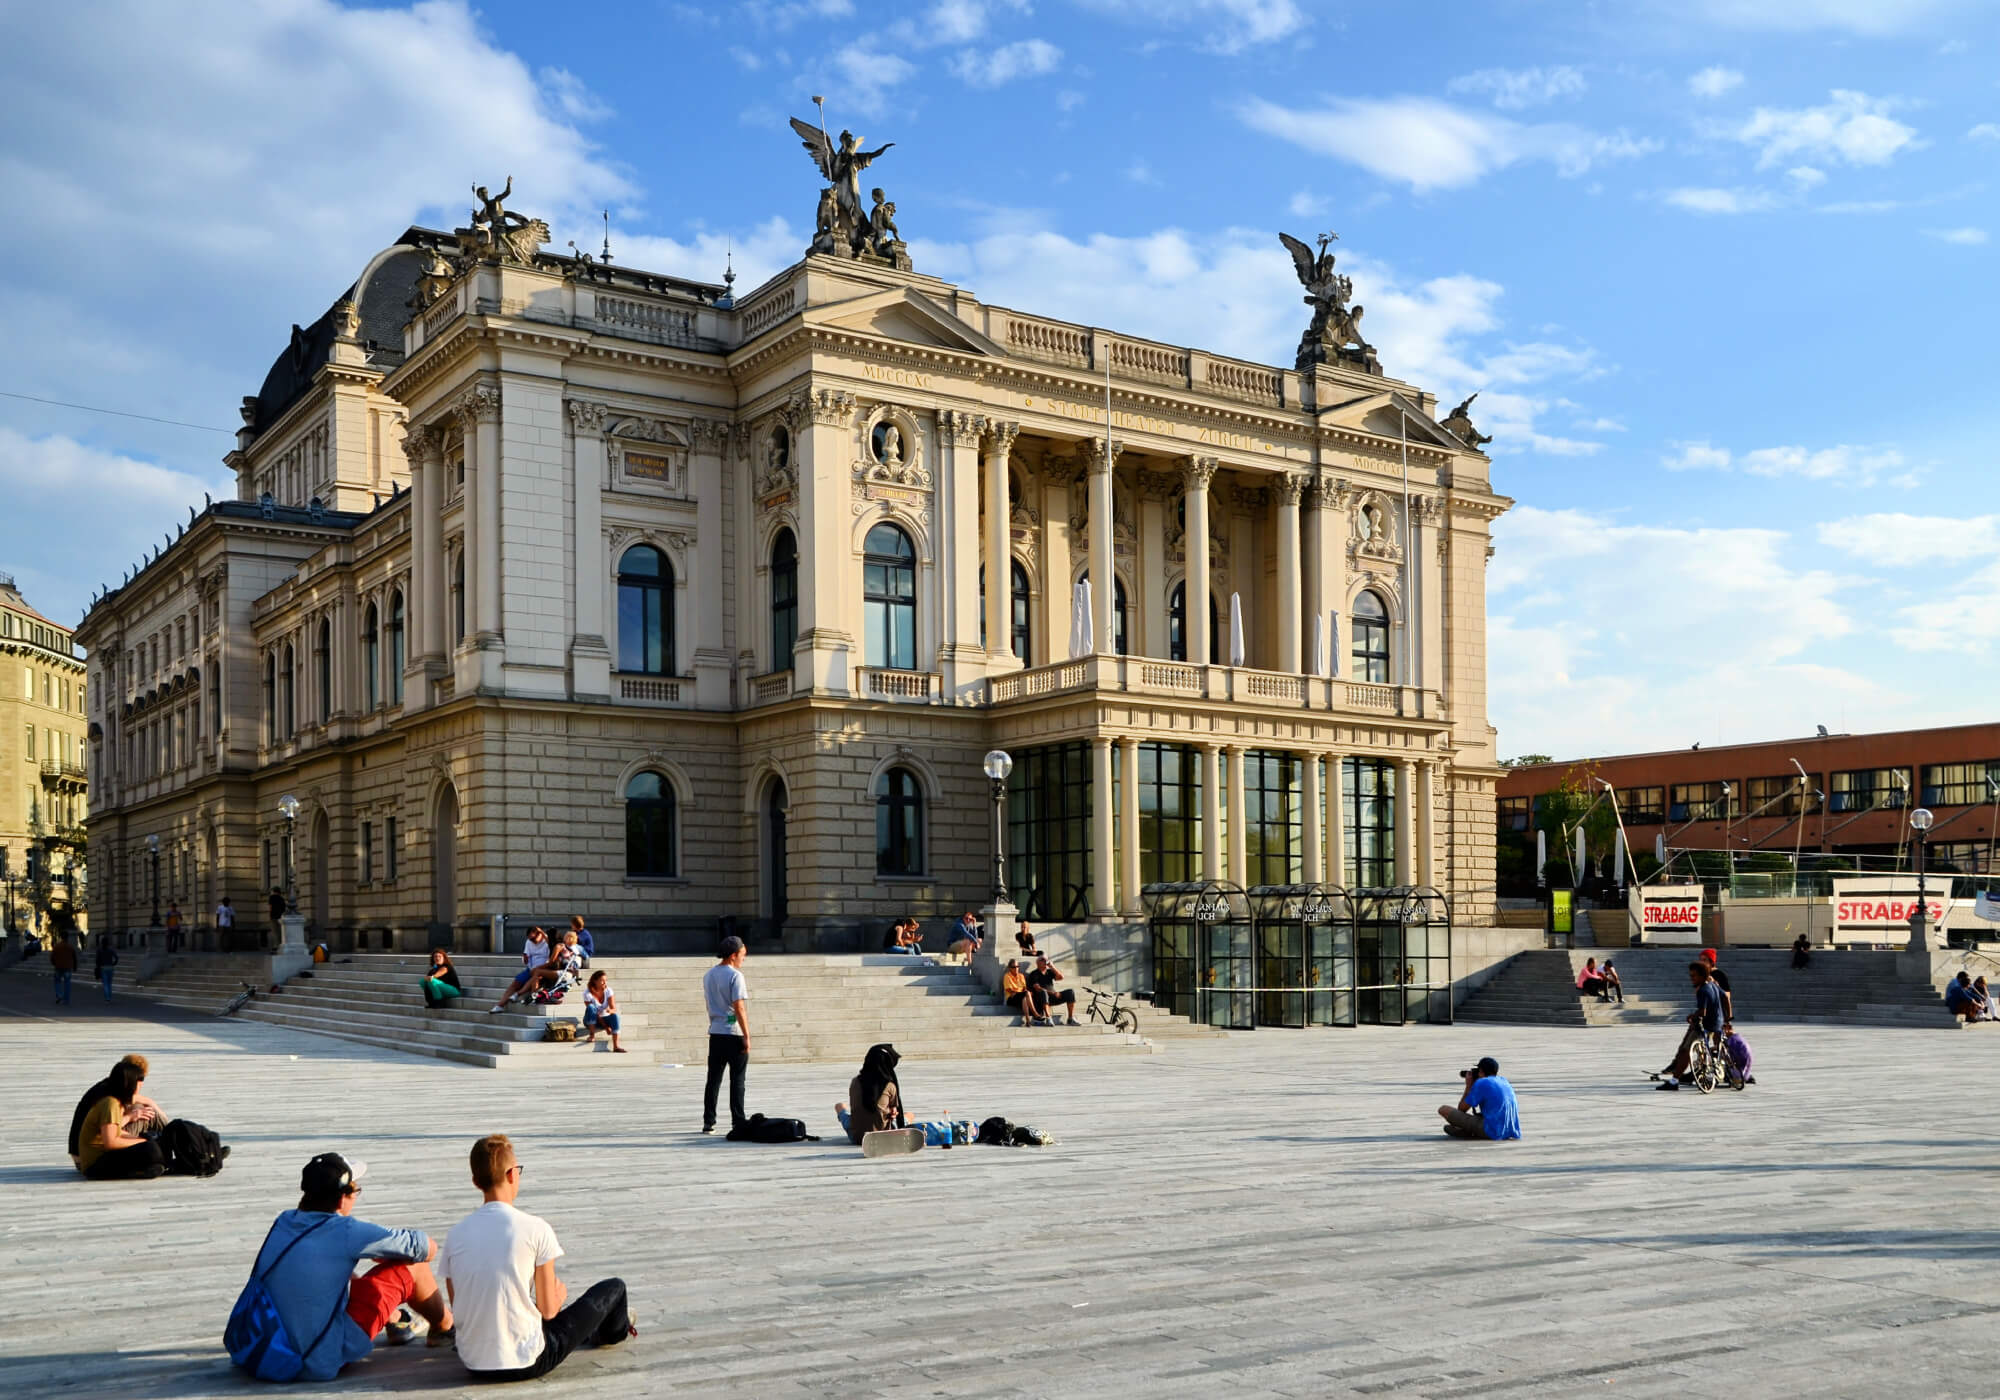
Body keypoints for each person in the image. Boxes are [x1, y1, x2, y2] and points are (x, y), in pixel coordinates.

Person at [230, 1152, 454, 1381]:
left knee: (342, 1276)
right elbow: (428, 1248)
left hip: (262, 1347)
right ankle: (445, 1329)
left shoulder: (284, 1221)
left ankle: (398, 1320)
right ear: (341, 1199)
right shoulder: (346, 1231)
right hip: (314, 1361)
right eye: (356, 1191)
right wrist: (385, 1251)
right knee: (413, 1267)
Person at [439, 1134, 633, 1382]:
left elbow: (460, 1310)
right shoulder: (535, 1228)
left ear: (476, 1182)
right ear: (512, 1175)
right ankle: (612, 1331)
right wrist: (558, 1297)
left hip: (473, 1362)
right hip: (527, 1360)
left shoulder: (456, 1235)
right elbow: (549, 1311)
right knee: (614, 1287)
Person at [70, 1053, 168, 1167]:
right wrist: (133, 1120)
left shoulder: (109, 1088)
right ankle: (167, 1143)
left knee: (142, 1111)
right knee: (142, 1111)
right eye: (140, 1078)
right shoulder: (109, 1099)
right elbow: (106, 1132)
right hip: (91, 1156)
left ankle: (164, 1142)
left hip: (86, 1153)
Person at [702, 936, 750, 1136]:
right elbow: (739, 1006)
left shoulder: (709, 975)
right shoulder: (735, 976)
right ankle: (738, 1121)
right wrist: (747, 1035)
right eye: (742, 955)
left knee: (713, 1079)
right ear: (733, 956)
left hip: (716, 1031)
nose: (743, 960)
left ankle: (709, 1121)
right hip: (733, 1033)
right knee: (737, 1080)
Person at [1658, 960, 1725, 1090]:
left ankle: (1674, 1081)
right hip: (1717, 1022)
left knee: (1685, 1051)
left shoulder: (1703, 990)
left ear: (1702, 976)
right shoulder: (1713, 985)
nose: (1691, 979)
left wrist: (1692, 1016)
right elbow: (1726, 998)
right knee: (1705, 1048)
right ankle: (1708, 1072)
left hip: (1706, 1024)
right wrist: (1728, 1017)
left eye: (1694, 976)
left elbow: (1702, 1012)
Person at [1438, 1056, 1521, 1140]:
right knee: (1450, 1128)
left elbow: (1462, 1109)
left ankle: (1473, 1133)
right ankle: (1472, 1132)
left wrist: (1469, 1086)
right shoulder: (1504, 1080)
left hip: (1492, 1131)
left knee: (1443, 1109)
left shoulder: (1482, 1083)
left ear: (1481, 1071)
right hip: (1510, 1131)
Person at [837, 1043, 905, 1145]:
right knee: (909, 1115)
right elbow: (894, 1111)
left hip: (856, 1136)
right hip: (882, 1135)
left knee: (839, 1106)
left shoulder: (855, 1081)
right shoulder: (890, 1085)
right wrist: (892, 1111)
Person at [489, 927, 553, 1012]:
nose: (532, 941)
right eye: (530, 939)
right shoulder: (529, 942)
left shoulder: (547, 942)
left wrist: (541, 931)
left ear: (540, 934)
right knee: (515, 983)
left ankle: (517, 994)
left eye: (533, 938)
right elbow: (526, 956)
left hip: (543, 969)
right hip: (531, 969)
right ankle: (500, 1005)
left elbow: (551, 946)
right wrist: (525, 959)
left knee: (535, 976)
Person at [1026, 952, 1078, 1026]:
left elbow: (1061, 977)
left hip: (1053, 997)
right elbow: (1038, 988)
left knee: (1070, 992)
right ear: (1037, 962)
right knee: (1043, 991)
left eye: (1046, 960)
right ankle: (1048, 1018)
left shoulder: (1049, 972)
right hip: (1040, 998)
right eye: (1043, 959)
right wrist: (1053, 993)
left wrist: (1052, 967)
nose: (1045, 961)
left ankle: (1070, 1018)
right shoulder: (1034, 974)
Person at [582, 971, 625, 1052]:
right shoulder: (587, 993)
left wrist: (610, 1010)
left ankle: (616, 1046)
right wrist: (606, 1027)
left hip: (604, 1018)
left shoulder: (608, 990)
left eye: (605, 980)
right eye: (602, 980)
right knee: (591, 1007)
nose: (604, 983)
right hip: (591, 1020)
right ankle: (592, 1035)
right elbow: (595, 1013)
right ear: (595, 981)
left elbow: (614, 1009)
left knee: (615, 1016)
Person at [1698, 948, 1734, 1023]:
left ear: (1711, 962)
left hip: (1718, 1013)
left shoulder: (1719, 975)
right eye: (1700, 960)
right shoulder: (1704, 975)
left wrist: (1714, 984)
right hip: (1707, 1012)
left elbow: (1727, 995)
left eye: (1704, 960)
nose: (1701, 962)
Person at [1000, 959, 1033, 1024]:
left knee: (1025, 997)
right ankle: (1034, 1013)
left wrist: (1026, 992)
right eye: (1014, 967)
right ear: (1010, 968)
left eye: (1017, 966)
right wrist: (1018, 993)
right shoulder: (1007, 976)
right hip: (1011, 997)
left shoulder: (1021, 976)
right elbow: (1008, 989)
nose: (1016, 968)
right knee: (1025, 995)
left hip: (1020, 996)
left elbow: (1024, 988)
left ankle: (1027, 1019)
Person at [49, 931, 75, 1005]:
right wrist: (74, 966)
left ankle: (59, 995)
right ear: (67, 938)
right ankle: (66, 1000)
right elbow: (74, 957)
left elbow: (52, 957)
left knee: (57, 982)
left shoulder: (57, 946)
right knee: (67, 984)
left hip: (58, 967)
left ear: (61, 937)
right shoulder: (70, 947)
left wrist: (54, 964)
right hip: (67, 967)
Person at [94, 931, 119, 1002]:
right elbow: (116, 957)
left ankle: (107, 998)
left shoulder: (99, 950)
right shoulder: (111, 949)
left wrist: (97, 966)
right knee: (110, 983)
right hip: (110, 967)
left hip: (103, 967)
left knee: (105, 983)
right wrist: (114, 963)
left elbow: (97, 960)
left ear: (102, 942)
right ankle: (109, 997)